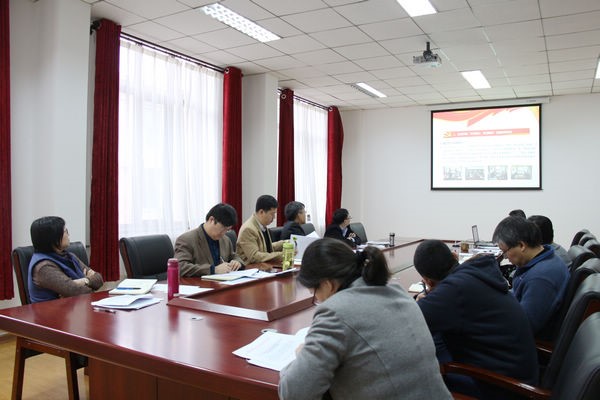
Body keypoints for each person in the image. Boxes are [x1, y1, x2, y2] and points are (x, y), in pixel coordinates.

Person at [279, 238, 452, 400]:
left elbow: (294, 393)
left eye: (314, 293)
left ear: (327, 284)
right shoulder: (397, 291)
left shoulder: (335, 312)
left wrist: (301, 358)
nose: (318, 300)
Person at [413, 239, 539, 399]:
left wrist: (429, 298)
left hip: (505, 388)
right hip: (518, 373)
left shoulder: (454, 290)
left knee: (417, 369)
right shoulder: (476, 273)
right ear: (454, 256)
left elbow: (410, 321)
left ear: (428, 281)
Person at [493, 216, 570, 339]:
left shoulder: (540, 278)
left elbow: (524, 327)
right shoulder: (546, 260)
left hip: (523, 341)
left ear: (521, 245)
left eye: (505, 251)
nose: (506, 257)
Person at [28, 216, 103, 303]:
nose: (68, 234)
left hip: (76, 306)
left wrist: (84, 281)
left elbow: (99, 279)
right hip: (54, 310)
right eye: (65, 231)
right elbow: (77, 291)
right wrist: (89, 283)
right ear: (53, 237)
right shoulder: (44, 267)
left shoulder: (69, 256)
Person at [174, 203, 244, 277]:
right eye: (223, 228)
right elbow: (180, 267)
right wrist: (213, 269)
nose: (224, 233)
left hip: (224, 281)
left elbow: (233, 256)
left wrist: (237, 262)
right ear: (211, 220)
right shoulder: (186, 240)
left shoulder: (225, 240)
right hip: (199, 283)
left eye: (227, 230)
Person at [236, 195, 284, 264]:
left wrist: (285, 243)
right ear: (261, 212)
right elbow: (254, 256)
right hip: (251, 268)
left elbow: (265, 248)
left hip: (262, 266)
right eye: (272, 214)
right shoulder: (248, 229)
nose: (274, 217)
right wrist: (282, 255)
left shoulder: (261, 225)